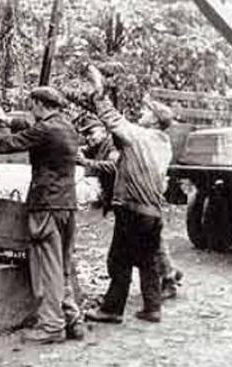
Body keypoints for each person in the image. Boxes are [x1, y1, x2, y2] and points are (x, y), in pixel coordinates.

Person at [0, 87, 85, 344]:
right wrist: (7, 120)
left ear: (39, 104)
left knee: (48, 268)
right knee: (62, 266)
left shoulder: (45, 129)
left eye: (32, 105)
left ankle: (52, 326)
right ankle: (73, 318)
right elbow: (31, 131)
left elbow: (11, 144)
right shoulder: (66, 126)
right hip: (67, 205)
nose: (31, 110)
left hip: (46, 205)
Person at [81, 65, 174, 324]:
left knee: (118, 260)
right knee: (147, 261)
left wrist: (99, 91)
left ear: (154, 120)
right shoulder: (164, 145)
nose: (141, 114)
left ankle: (112, 310)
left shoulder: (140, 137)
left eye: (146, 112)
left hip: (132, 210)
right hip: (153, 213)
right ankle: (152, 308)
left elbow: (112, 119)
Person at [77, 99, 186, 300]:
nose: (88, 138)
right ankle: (164, 281)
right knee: (149, 246)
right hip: (145, 203)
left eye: (146, 111)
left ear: (154, 119)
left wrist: (85, 162)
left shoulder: (133, 141)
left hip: (137, 202)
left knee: (138, 252)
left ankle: (166, 280)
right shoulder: (159, 141)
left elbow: (113, 164)